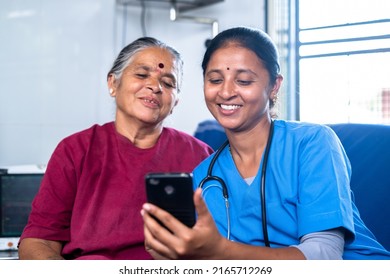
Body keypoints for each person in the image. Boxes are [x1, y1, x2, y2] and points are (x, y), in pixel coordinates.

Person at [141, 27, 390, 260]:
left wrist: (220, 250)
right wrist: (175, 253)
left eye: (244, 81)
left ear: (274, 86)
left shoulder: (312, 143)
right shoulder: (204, 177)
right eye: (215, 80)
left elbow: (324, 255)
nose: (226, 92)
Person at [18, 37, 213, 260]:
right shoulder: (75, 151)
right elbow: (39, 240)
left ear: (175, 101)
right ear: (113, 83)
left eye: (168, 83)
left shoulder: (201, 156)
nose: (155, 87)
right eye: (142, 75)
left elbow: (219, 242)